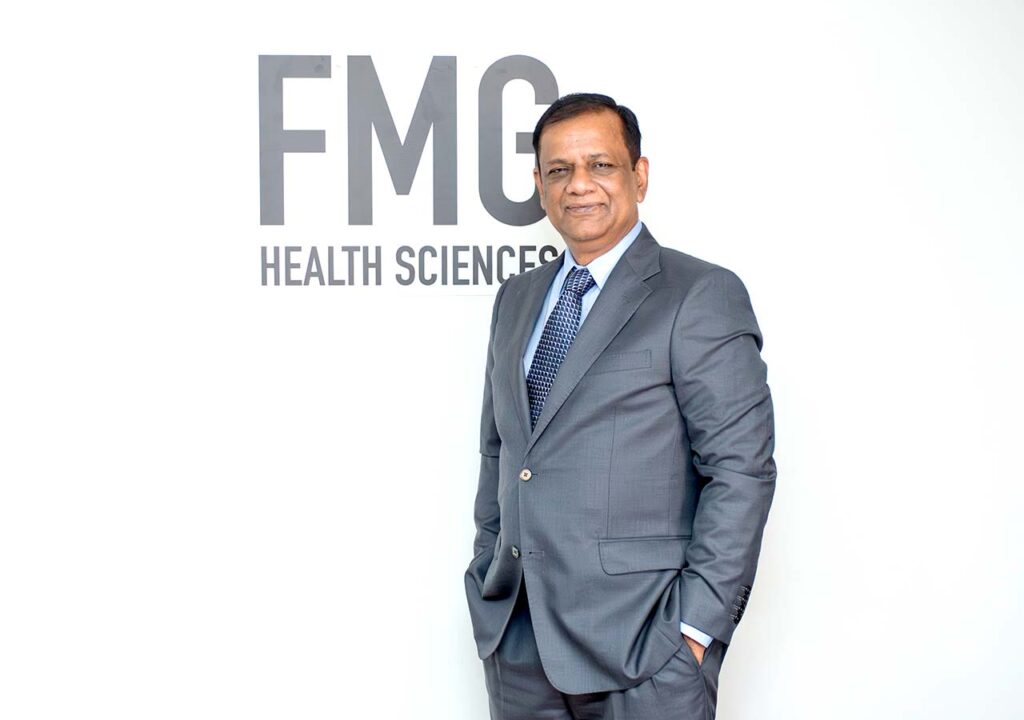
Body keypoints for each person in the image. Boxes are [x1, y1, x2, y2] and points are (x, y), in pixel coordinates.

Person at [463, 92, 777, 719]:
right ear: (539, 185)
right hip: (519, 643)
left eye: (600, 165)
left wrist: (694, 631)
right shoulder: (516, 299)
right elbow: (501, 452)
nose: (579, 185)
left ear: (639, 175)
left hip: (645, 649)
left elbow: (741, 471)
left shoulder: (699, 294)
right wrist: (487, 567)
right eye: (559, 170)